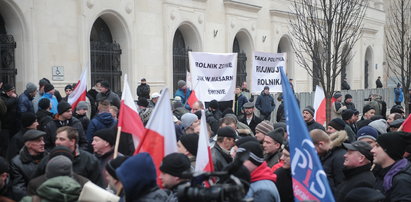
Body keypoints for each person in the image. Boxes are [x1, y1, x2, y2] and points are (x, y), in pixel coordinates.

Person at [34, 126, 103, 187]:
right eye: (56, 138)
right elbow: (35, 182)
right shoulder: (48, 158)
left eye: (62, 139)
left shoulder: (89, 160)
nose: (57, 142)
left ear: (72, 141)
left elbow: (97, 187)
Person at [371, 132, 411, 201]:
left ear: (388, 150)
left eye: (377, 146)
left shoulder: (402, 181)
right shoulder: (382, 172)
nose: (372, 150)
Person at [10, 130, 47, 200]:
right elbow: (18, 189)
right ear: (29, 145)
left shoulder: (49, 157)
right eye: (39, 141)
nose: (43, 143)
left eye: (43, 140)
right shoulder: (17, 163)